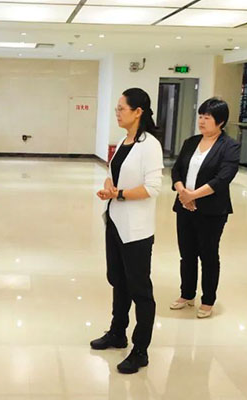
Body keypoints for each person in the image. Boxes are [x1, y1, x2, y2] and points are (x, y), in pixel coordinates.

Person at [90, 88, 163, 374]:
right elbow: (113, 173)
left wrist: (118, 194)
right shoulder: (123, 141)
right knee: (118, 281)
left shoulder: (150, 145)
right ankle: (117, 332)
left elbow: (153, 187)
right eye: (117, 108)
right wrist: (110, 186)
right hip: (115, 222)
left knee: (140, 289)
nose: (117, 113)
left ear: (138, 112)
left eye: (122, 108)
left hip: (136, 230)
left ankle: (140, 349)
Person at [169, 98, 240, 318]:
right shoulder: (191, 142)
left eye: (207, 117)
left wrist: (193, 195)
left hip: (212, 210)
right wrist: (183, 192)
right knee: (187, 254)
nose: (201, 121)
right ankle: (187, 294)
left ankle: (208, 300)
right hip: (184, 206)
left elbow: (223, 178)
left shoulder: (229, 146)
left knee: (208, 256)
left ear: (220, 121)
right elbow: (176, 170)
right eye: (200, 116)